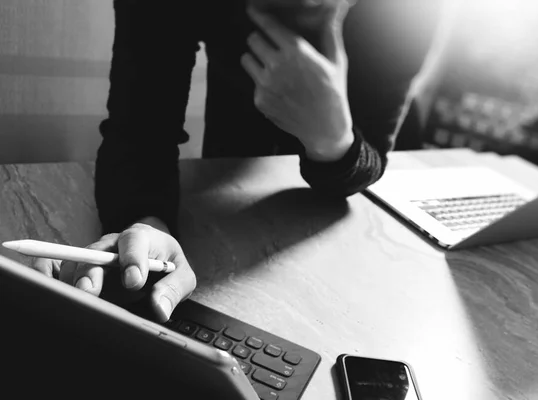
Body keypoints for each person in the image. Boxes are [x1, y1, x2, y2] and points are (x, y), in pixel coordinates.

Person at [33, 0, 444, 322]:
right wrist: (146, 222)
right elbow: (140, 126)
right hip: (229, 165)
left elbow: (371, 157)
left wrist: (334, 139)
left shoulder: (408, 11)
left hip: (347, 236)